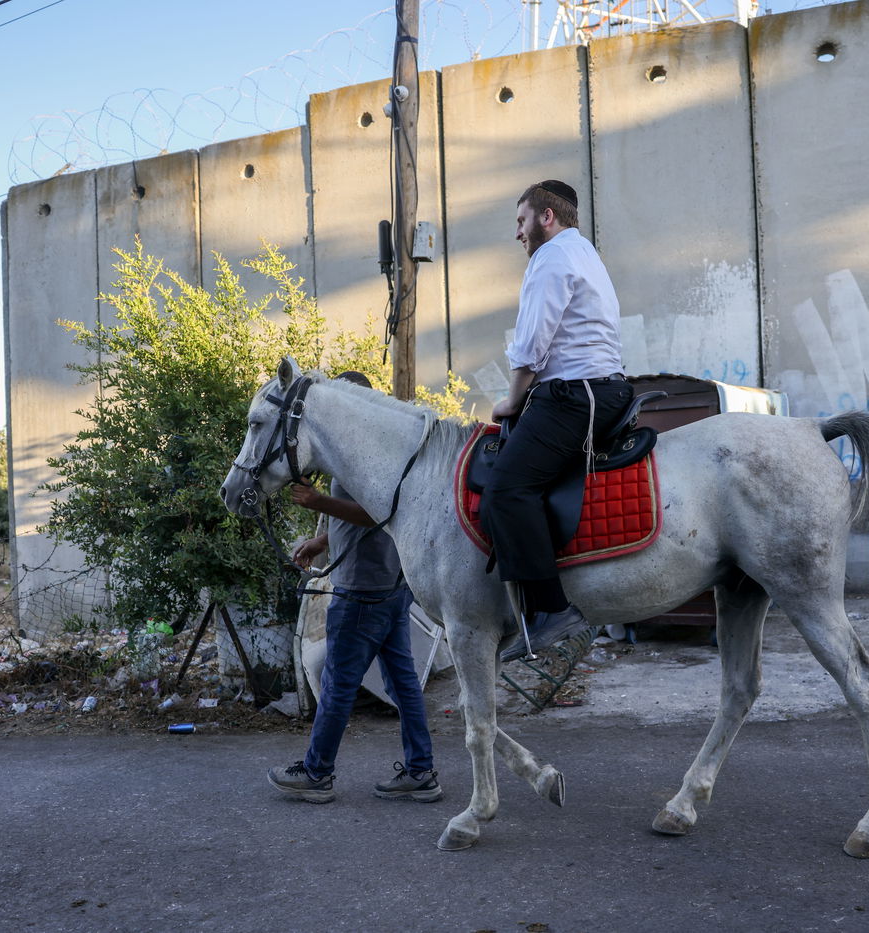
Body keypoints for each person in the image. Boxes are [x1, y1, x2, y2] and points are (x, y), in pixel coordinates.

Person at [266, 371, 441, 805]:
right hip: (388, 585)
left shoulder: (367, 451)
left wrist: (318, 502)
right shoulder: (374, 448)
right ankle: (421, 773)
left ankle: (316, 774)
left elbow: (377, 512)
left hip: (364, 589)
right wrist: (322, 540)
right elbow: (369, 516)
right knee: (403, 685)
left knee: (338, 684)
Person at [481, 180, 634, 664]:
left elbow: (532, 343)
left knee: (505, 488)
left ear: (547, 217)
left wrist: (510, 400)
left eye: (522, 221)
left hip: (574, 394)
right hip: (602, 387)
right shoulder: (584, 251)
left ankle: (551, 610)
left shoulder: (550, 258)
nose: (518, 234)